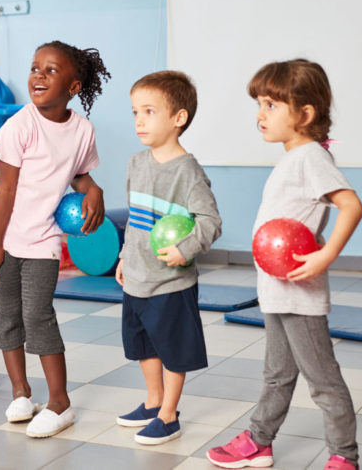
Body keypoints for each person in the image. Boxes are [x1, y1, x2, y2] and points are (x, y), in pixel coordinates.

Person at [207, 59, 362, 470]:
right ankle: (260, 441)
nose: (260, 114)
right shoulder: (294, 158)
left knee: (323, 381)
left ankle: (344, 457)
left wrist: (327, 253)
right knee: (277, 375)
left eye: (271, 105)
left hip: (299, 294)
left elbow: (351, 205)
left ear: (305, 114)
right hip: (278, 291)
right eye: (259, 104)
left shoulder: (311, 157)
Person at [0, 40, 110, 438]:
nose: (38, 75)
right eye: (35, 68)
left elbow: (78, 173)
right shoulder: (19, 125)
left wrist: (95, 189)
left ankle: (60, 402)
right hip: (4, 235)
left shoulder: (82, 129)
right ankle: (20, 392)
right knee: (8, 315)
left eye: (51, 70)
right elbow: (5, 190)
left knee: (38, 315)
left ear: (73, 87)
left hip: (43, 239)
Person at [114, 71, 222, 445]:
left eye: (149, 111)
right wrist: (125, 257)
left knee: (173, 347)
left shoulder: (188, 172)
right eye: (134, 112)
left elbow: (210, 221)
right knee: (143, 342)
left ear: (178, 118)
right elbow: (133, 220)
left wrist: (185, 250)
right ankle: (152, 400)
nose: (139, 121)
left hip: (171, 281)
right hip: (139, 277)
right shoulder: (135, 163)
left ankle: (169, 414)